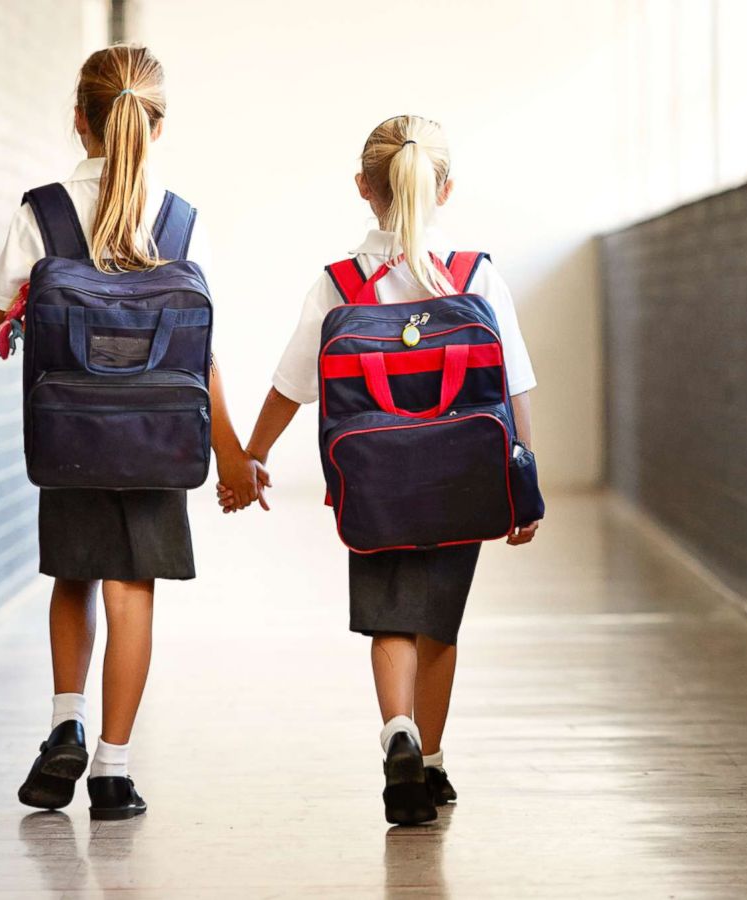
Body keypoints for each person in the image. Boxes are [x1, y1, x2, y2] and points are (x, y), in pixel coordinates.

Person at [0, 44, 263, 820]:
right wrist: (231, 453)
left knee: (75, 578)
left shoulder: (45, 211)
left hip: (71, 438)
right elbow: (204, 355)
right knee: (133, 594)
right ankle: (113, 772)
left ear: (79, 119)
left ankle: (65, 722)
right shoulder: (184, 220)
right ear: (157, 126)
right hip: (159, 441)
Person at [230, 114, 539, 825]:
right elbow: (515, 383)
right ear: (447, 189)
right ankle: (429, 760)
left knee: (391, 618)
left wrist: (252, 454)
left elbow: (290, 383)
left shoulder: (340, 283)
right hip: (464, 478)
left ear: (363, 189)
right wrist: (523, 485)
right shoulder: (476, 275)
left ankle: (396, 733)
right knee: (440, 625)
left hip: (372, 483)